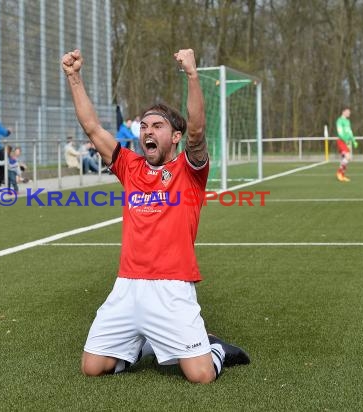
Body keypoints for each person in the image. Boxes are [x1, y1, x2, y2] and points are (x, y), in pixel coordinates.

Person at [61, 48, 250, 384]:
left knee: (201, 375)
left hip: (172, 286)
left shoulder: (189, 170)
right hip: (128, 285)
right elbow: (92, 128)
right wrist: (74, 76)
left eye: (158, 126)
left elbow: (196, 132)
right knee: (92, 367)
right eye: (145, 125)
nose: (148, 131)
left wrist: (192, 76)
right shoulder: (129, 166)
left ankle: (216, 349)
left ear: (174, 137)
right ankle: (144, 341)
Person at [335, 106, 358, 182]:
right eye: (348, 112)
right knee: (348, 157)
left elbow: (350, 131)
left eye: (349, 112)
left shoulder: (348, 121)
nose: (349, 113)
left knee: (344, 159)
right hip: (341, 141)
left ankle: (342, 175)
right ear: (343, 112)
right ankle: (339, 173)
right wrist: (345, 139)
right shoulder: (339, 120)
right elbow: (340, 132)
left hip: (346, 142)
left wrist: (353, 140)